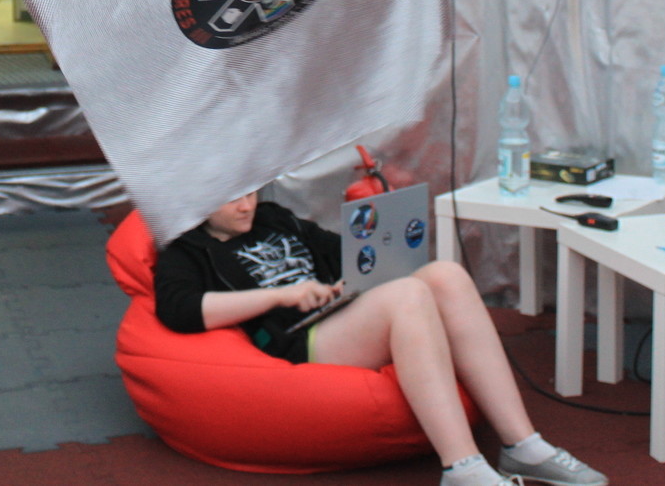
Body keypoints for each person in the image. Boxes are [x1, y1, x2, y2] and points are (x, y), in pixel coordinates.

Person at [154, 192, 609, 486]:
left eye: (250, 191)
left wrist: (354, 270)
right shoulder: (187, 250)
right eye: (232, 198)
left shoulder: (274, 218)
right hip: (297, 341)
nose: (246, 205)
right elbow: (180, 310)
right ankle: (463, 467)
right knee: (407, 296)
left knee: (446, 275)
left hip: (338, 313)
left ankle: (522, 445)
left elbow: (343, 253)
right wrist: (283, 295)